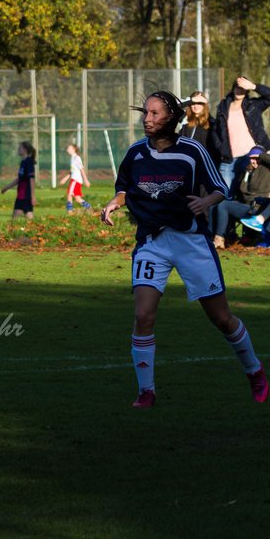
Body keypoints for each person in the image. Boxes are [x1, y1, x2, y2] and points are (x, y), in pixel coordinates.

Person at [100, 90, 268, 408]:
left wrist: (206, 200)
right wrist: (114, 201)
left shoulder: (191, 151)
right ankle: (146, 392)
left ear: (171, 118)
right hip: (152, 243)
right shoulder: (136, 153)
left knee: (221, 318)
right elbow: (124, 187)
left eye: (154, 114)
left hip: (191, 242)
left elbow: (220, 187)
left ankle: (254, 369)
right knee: (143, 314)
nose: (146, 119)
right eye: (145, 113)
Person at [211, 76, 270, 189]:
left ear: (247, 90)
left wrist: (254, 86)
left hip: (252, 158)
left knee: (249, 194)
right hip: (229, 159)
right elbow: (215, 131)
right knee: (225, 195)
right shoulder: (222, 107)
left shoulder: (253, 105)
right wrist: (221, 148)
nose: (240, 90)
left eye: (243, 87)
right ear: (233, 89)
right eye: (237, 87)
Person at [212, 146, 270, 248]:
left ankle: (219, 238)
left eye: (257, 159)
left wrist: (261, 155)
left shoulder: (267, 169)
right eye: (252, 158)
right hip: (247, 206)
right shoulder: (247, 171)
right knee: (218, 205)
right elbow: (240, 193)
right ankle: (217, 238)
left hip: (259, 207)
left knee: (224, 205)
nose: (254, 161)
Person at [181, 91, 220, 166]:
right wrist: (190, 100)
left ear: (204, 105)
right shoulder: (185, 121)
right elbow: (172, 107)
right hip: (188, 163)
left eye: (199, 103)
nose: (196, 106)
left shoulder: (211, 122)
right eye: (193, 103)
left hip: (206, 163)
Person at [1, 141, 37, 220]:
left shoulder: (29, 162)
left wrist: (33, 196)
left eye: (20, 148)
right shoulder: (23, 162)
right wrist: (6, 187)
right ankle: (38, 230)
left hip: (25, 194)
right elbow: (19, 179)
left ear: (25, 150)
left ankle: (13, 231)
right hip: (21, 193)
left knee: (15, 218)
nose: (18, 149)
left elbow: (32, 180)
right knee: (28, 216)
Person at [57, 143, 91, 212]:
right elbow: (71, 171)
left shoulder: (77, 158)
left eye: (69, 148)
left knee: (69, 194)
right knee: (78, 198)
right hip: (74, 180)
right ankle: (89, 208)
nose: (67, 150)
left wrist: (86, 180)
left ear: (74, 149)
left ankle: (70, 211)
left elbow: (81, 169)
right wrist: (65, 179)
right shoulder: (72, 158)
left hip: (76, 180)